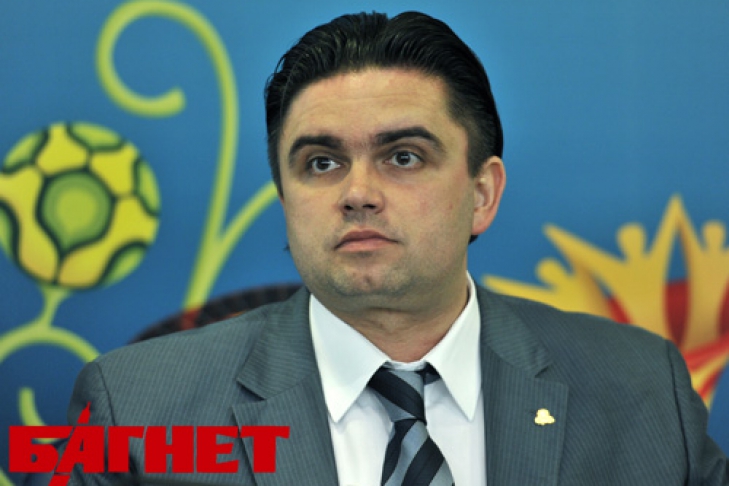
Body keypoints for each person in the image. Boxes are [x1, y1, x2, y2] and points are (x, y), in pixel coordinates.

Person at [64, 11, 728, 485]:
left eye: (403, 156)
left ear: (482, 193)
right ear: (285, 200)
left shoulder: (644, 391)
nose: (357, 193)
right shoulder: (133, 409)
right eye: (321, 163)